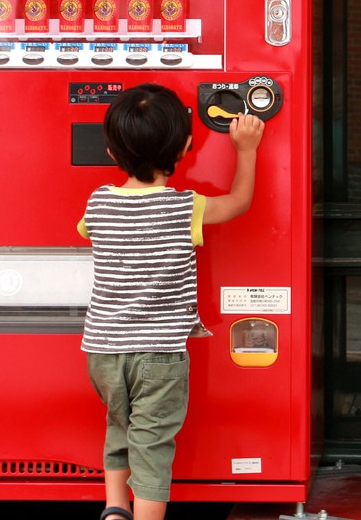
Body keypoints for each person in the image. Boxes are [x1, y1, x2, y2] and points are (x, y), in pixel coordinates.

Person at [79, 82, 263, 520]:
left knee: (119, 425)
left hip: (103, 350)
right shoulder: (186, 208)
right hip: (159, 353)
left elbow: (86, 230)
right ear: (183, 148)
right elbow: (239, 202)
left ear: (110, 151)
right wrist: (247, 149)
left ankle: (115, 507)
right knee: (153, 440)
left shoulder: (98, 203)